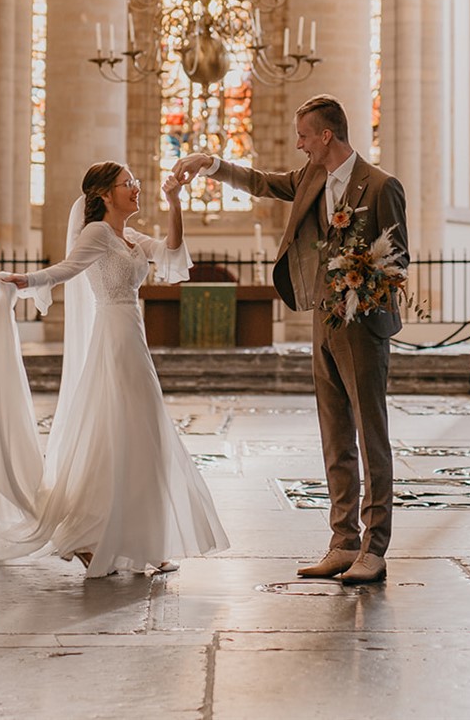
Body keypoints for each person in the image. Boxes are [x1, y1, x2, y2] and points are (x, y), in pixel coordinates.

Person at [0, 161, 228, 578]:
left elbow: (171, 254)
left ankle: (133, 539)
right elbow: (67, 269)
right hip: (113, 340)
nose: (136, 188)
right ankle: (90, 535)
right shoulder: (96, 233)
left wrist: (174, 201)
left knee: (138, 430)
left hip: (133, 337)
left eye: (134, 182)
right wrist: (25, 280)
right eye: (126, 184)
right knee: (125, 428)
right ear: (104, 195)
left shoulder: (129, 237)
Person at [173, 94, 407, 585]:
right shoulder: (310, 179)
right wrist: (210, 164)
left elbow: (397, 262)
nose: (299, 145)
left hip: (362, 327)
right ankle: (342, 542)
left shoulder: (381, 186)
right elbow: (260, 182)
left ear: (326, 135)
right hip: (322, 319)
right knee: (334, 434)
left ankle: (374, 547)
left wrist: (358, 284)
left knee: (371, 435)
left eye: (304, 136)